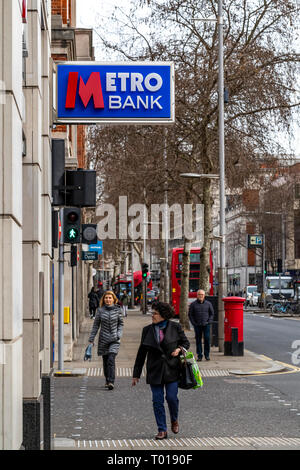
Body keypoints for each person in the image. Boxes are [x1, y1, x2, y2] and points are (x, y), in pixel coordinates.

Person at [132, 301, 190, 440]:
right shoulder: (147, 330)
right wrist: (136, 374)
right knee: (157, 400)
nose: (152, 315)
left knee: (171, 398)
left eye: (155, 313)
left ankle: (174, 419)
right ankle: (162, 429)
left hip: (172, 368)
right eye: (153, 313)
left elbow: (185, 343)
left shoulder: (175, 327)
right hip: (155, 370)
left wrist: (179, 349)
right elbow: (141, 353)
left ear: (164, 315)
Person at [88, 291, 124, 390]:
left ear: (114, 299)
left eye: (110, 298)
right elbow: (96, 326)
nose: (108, 300)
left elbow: (121, 324)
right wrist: (91, 339)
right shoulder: (100, 311)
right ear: (103, 299)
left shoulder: (118, 310)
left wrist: (119, 334)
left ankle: (111, 381)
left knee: (111, 359)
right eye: (106, 298)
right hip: (103, 339)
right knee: (105, 361)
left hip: (114, 339)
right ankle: (107, 380)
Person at [188, 289, 214, 362]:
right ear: (197, 295)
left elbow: (212, 314)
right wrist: (194, 323)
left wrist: (209, 321)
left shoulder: (208, 304)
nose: (200, 296)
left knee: (207, 339)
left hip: (206, 325)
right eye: (199, 294)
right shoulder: (193, 304)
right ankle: (199, 355)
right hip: (197, 325)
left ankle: (207, 355)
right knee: (198, 340)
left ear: (204, 295)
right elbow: (190, 315)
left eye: (202, 295)